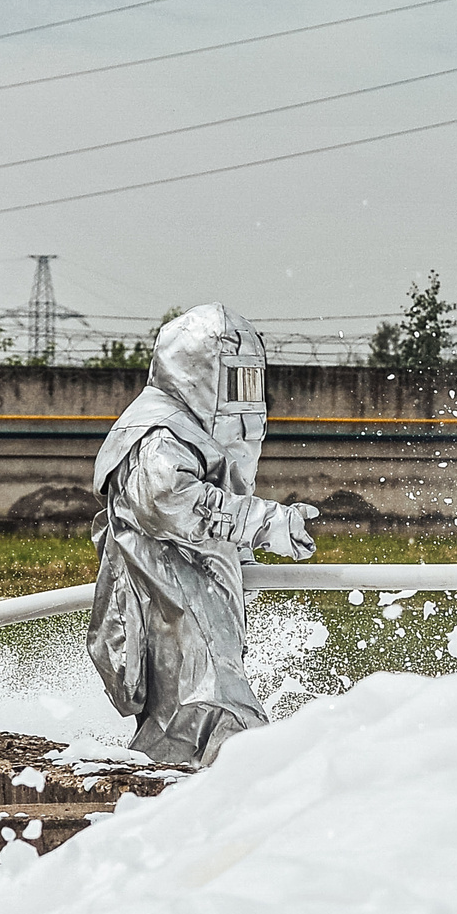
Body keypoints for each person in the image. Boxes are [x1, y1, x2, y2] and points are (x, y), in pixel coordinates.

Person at [87, 304, 322, 767]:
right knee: (211, 717)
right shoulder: (157, 433)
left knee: (197, 723)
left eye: (252, 382)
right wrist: (262, 524)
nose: (244, 398)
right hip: (171, 600)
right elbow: (169, 501)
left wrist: (240, 553)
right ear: (195, 371)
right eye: (234, 381)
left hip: (190, 596)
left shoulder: (190, 427)